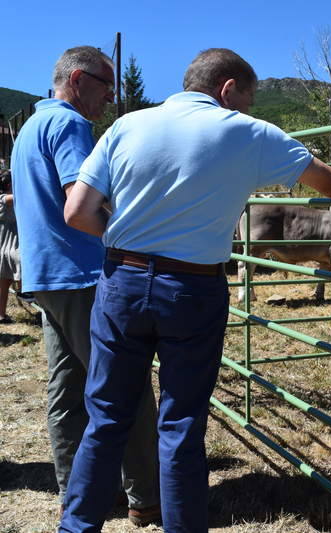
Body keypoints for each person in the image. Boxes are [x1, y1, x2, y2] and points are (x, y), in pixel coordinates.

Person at [58, 47, 331, 532]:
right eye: (248, 101)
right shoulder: (247, 133)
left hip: (120, 282)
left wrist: (130, 243)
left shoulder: (127, 126)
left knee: (105, 417)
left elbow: (78, 212)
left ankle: (76, 526)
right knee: (181, 424)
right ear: (228, 89)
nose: (249, 111)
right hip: (191, 289)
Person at [9, 46, 161, 526]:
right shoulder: (70, 125)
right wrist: (130, 238)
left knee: (68, 390)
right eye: (105, 85)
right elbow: (81, 203)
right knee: (126, 386)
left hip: (46, 276)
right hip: (81, 273)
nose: (110, 97)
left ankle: (80, 493)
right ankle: (146, 498)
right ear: (78, 79)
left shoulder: (31, 127)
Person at [0, 168, 20, 323]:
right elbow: (18, 196)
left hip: (8, 246)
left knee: (4, 282)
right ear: (8, 185)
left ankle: (1, 315)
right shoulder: (3, 199)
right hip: (7, 247)